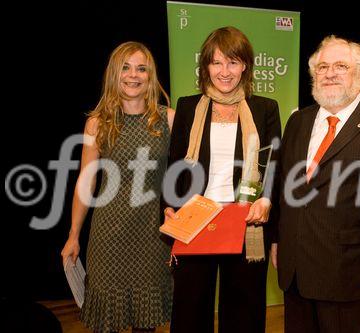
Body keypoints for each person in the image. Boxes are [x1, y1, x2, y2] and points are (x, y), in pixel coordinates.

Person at [273, 35, 360, 332]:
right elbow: (283, 185)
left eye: (341, 66)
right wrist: (277, 238)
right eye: (323, 67)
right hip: (295, 269)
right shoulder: (298, 121)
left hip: (346, 271)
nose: (330, 73)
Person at [163, 26, 281, 333]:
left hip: (245, 220)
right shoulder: (189, 106)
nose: (224, 71)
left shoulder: (265, 108)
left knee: (244, 311)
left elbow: (273, 165)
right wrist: (169, 207)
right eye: (216, 63)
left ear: (245, 66)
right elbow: (174, 164)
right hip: (195, 218)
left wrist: (266, 200)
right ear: (205, 67)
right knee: (190, 309)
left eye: (232, 62)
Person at [61, 41, 175, 333]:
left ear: (150, 76)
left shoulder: (169, 119)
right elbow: (87, 181)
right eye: (125, 68)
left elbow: (184, 177)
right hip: (108, 235)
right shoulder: (97, 123)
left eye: (141, 68)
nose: (133, 75)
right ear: (114, 73)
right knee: (106, 322)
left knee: (145, 321)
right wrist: (73, 236)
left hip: (152, 235)